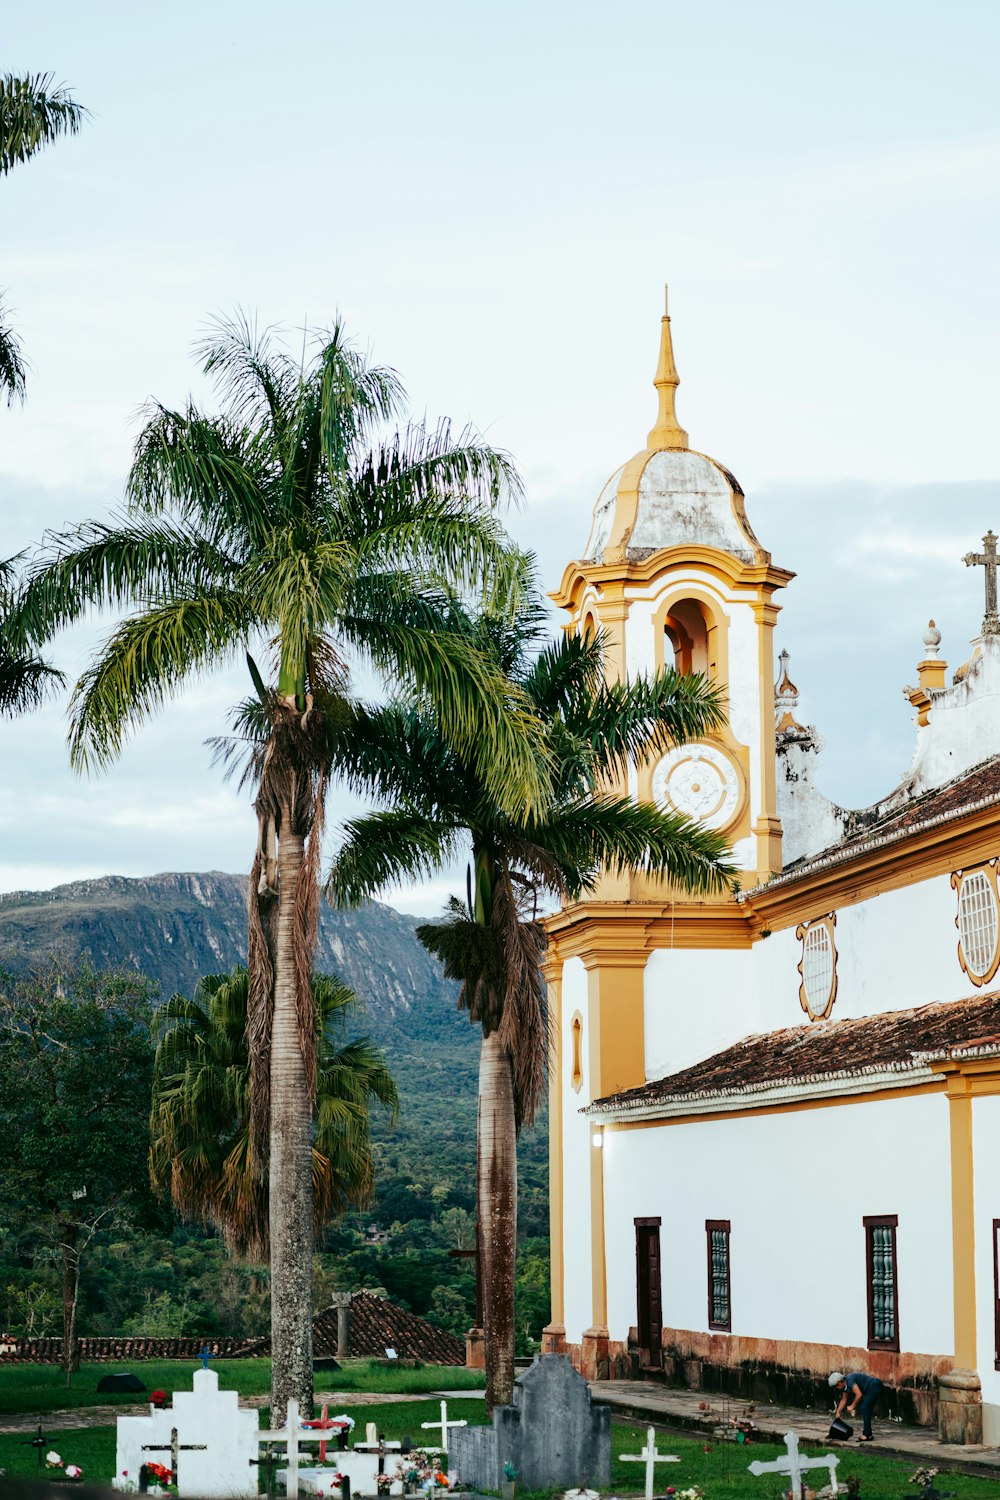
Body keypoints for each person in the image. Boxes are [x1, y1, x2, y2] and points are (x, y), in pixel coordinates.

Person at [829, 1369, 883, 1441]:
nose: (836, 1389)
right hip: (870, 1389)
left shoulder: (850, 1381)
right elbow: (843, 1400)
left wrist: (852, 1406)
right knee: (866, 1408)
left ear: (840, 1382)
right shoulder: (845, 1387)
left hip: (874, 1385)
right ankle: (868, 1433)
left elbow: (859, 1394)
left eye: (836, 1386)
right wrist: (838, 1412)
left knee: (865, 1408)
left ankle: (867, 1435)